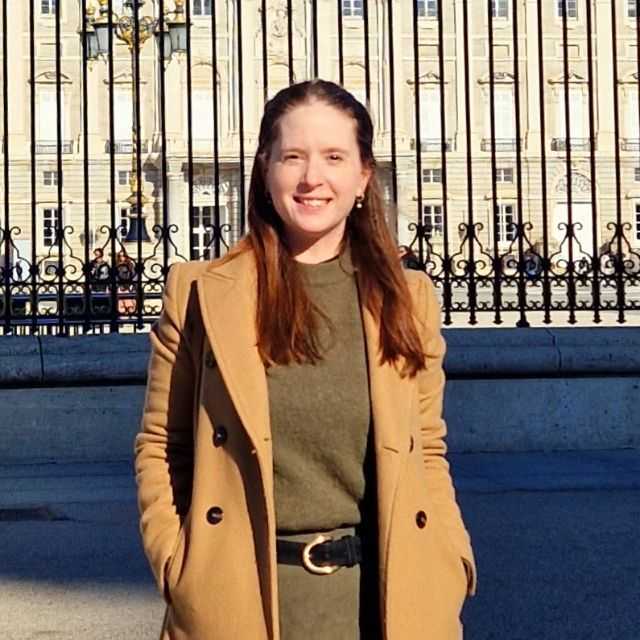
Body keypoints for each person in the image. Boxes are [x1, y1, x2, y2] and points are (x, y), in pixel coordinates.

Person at [135, 79, 476, 640]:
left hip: (387, 600)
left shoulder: (407, 298)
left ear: (363, 177)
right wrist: (178, 565)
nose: (312, 177)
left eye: (334, 157)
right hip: (237, 598)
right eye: (293, 156)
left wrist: (451, 558)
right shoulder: (199, 293)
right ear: (265, 169)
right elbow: (162, 444)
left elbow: (428, 448)